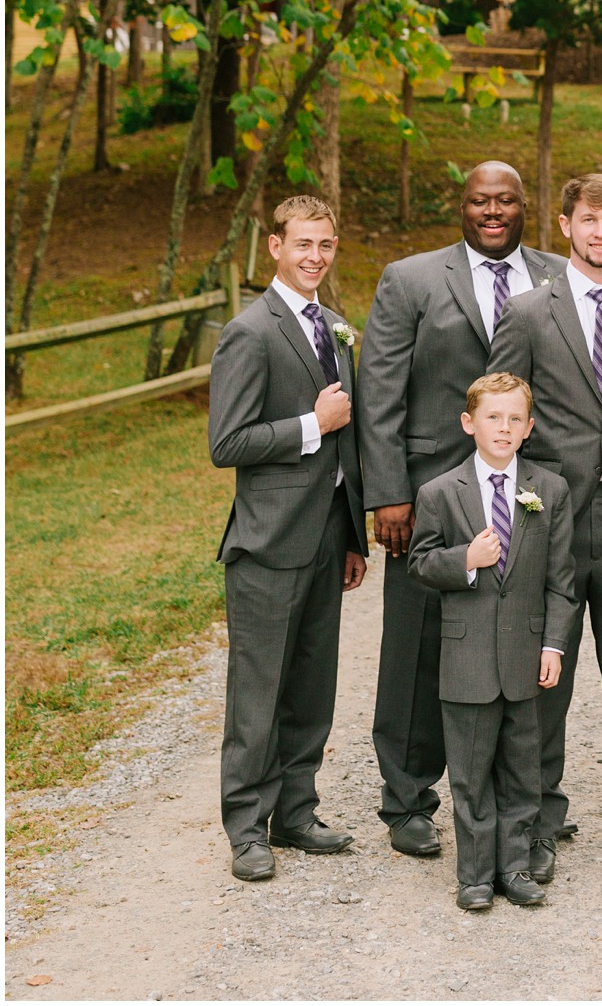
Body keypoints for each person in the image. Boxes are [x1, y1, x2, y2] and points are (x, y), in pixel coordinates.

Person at [357, 161, 567, 857]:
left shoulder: (556, 276)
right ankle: (408, 796)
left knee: (516, 638)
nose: (494, 210)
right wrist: (387, 491)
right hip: (427, 495)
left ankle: (523, 796)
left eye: (507, 199)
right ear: (462, 206)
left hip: (520, 492)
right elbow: (379, 386)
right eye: (481, 200)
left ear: (524, 206)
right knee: (417, 645)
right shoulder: (411, 278)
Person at [490, 173, 602, 888]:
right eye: (589, 220)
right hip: (551, 526)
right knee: (544, 682)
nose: (600, 233)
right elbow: (501, 415)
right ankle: (537, 821)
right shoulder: (528, 312)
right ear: (567, 224)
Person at [208, 195, 367, 881]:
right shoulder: (250, 330)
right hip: (268, 542)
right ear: (274, 245)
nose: (315, 256)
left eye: (325, 244)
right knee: (258, 691)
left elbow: (351, 445)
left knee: (312, 685)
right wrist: (313, 422)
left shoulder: (334, 326)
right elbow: (229, 441)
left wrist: (355, 533)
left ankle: (296, 812)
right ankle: (247, 827)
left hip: (327, 538)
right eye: (302, 243)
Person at [408, 374, 578, 912]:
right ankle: (476, 873)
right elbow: (419, 562)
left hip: (526, 655)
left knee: (522, 768)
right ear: (468, 424)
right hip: (467, 656)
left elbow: (562, 581)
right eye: (492, 418)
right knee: (471, 770)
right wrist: (465, 561)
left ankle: (515, 866)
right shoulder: (439, 492)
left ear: (529, 428)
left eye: (513, 419)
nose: (503, 428)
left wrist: (552, 645)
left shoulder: (550, 490)